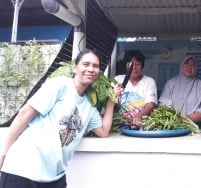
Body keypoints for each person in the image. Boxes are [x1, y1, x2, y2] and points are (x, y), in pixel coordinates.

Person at [0, 49, 123, 188]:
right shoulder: (60, 85)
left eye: (95, 66)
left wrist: (111, 101)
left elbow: (103, 131)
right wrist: (3, 152)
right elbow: (25, 113)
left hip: (55, 176)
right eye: (86, 64)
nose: (90, 69)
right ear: (75, 67)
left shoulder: (89, 107)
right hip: (23, 169)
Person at [159, 56, 201, 125]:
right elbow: (163, 106)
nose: (190, 67)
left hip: (196, 125)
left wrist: (190, 118)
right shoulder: (171, 83)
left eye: (193, 65)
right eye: (186, 63)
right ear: (181, 66)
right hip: (173, 125)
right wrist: (176, 119)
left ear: (196, 68)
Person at [115, 50, 157, 125]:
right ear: (126, 65)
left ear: (142, 66)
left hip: (142, 124)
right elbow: (112, 106)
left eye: (137, 64)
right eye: (131, 64)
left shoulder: (149, 81)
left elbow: (150, 105)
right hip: (119, 124)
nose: (134, 67)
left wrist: (138, 117)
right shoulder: (117, 80)